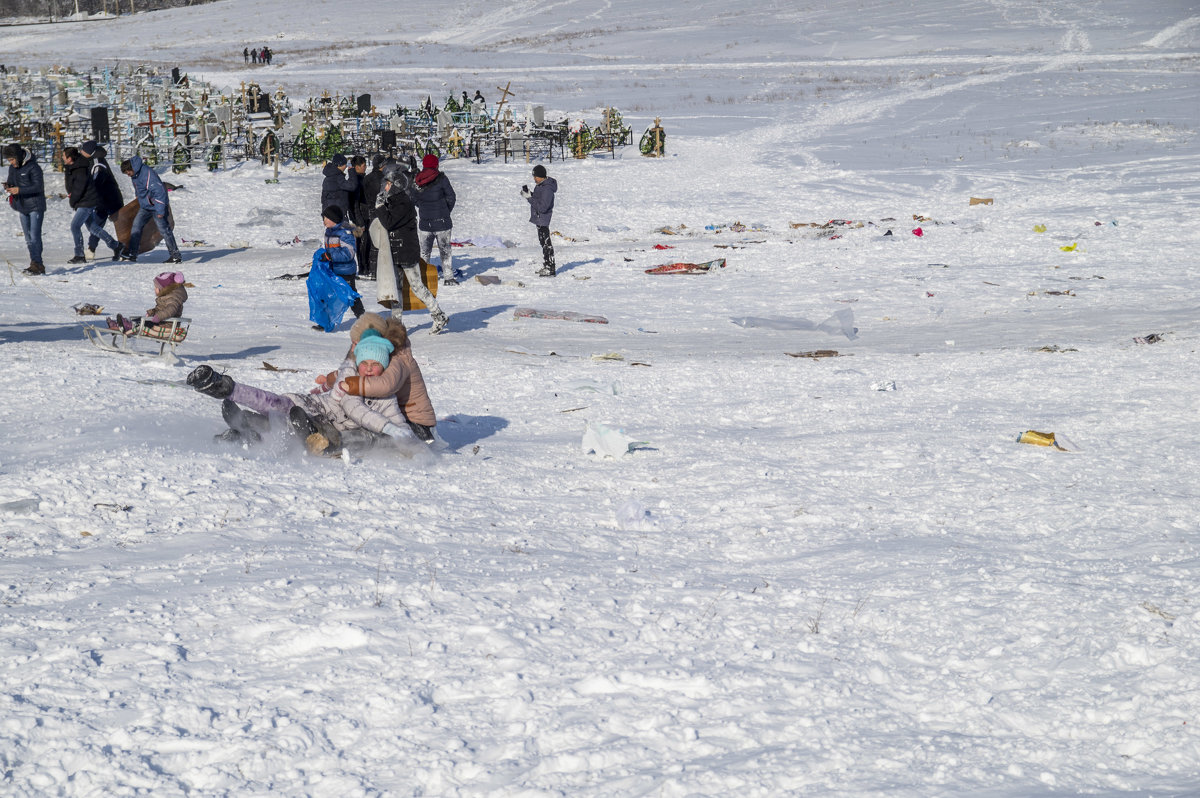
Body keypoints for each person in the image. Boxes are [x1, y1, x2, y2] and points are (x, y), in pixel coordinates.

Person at [184, 330, 430, 459]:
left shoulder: (385, 396)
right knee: (279, 403)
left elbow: (396, 424)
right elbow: (354, 405)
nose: (367, 368)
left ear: (384, 366)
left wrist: (412, 442)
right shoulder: (350, 378)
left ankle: (246, 431)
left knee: (300, 423)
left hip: (328, 427)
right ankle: (225, 388)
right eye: (363, 362)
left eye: (374, 365)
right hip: (318, 408)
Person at [315, 313, 442, 443]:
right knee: (363, 418)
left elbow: (386, 385)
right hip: (396, 416)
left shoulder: (399, 358)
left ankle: (341, 442)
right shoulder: (379, 355)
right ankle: (324, 431)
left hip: (416, 424)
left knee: (374, 432)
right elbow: (352, 371)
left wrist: (353, 385)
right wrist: (330, 379)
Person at [375, 166, 449, 334]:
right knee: (395, 289)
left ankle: (439, 315)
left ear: (395, 185)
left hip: (406, 252)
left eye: (387, 184)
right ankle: (396, 325)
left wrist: (380, 207)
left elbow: (389, 222)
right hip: (395, 252)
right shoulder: (393, 201)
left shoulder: (403, 203)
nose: (385, 187)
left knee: (417, 286)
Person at [63, 146, 122, 264]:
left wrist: (73, 200)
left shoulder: (80, 169)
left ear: (70, 158)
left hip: (86, 202)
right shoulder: (73, 167)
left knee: (75, 226)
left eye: (64, 156)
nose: (62, 158)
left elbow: (79, 188)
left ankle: (79, 254)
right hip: (83, 201)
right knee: (93, 227)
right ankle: (116, 246)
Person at [119, 155, 182, 264]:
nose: (128, 175)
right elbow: (140, 189)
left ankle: (175, 255)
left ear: (131, 168)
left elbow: (160, 192)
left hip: (157, 206)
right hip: (146, 206)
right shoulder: (135, 174)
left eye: (127, 172)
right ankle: (133, 254)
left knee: (164, 230)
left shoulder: (147, 174)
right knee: (136, 227)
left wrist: (160, 211)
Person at [311, 205, 365, 327]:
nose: (324, 221)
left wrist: (330, 256)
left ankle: (363, 318)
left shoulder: (345, 233)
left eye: (326, 218)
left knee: (351, 296)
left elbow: (349, 253)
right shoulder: (329, 232)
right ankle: (325, 322)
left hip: (346, 271)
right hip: (333, 270)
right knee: (327, 295)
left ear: (333, 219)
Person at [409, 154, 457, 285]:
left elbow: (413, 198)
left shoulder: (416, 179)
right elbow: (451, 196)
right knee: (445, 250)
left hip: (425, 222)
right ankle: (448, 277)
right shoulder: (441, 178)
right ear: (436, 164)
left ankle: (423, 278)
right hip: (442, 222)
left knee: (424, 252)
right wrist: (445, 210)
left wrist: (423, 207)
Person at [3, 143, 46, 275]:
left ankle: (37, 263)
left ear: (18, 157)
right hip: (22, 206)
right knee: (28, 238)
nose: (11, 163)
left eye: (12, 159)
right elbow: (12, 181)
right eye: (9, 160)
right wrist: (9, 186)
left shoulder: (33, 167)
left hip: (35, 206)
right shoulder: (12, 168)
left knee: (34, 236)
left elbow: (38, 187)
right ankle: (34, 262)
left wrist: (19, 190)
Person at [79, 140, 125, 260]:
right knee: (96, 225)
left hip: (111, 199)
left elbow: (97, 183)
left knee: (121, 226)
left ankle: (125, 249)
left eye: (83, 150)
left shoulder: (98, 163)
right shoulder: (91, 160)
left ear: (89, 152)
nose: (81, 152)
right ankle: (91, 249)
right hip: (101, 201)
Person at [105, 271, 187, 334]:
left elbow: (171, 309)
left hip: (166, 324)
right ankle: (119, 325)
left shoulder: (173, 299)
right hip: (161, 321)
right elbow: (160, 308)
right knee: (142, 319)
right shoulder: (167, 297)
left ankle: (128, 326)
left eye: (156, 287)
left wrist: (158, 316)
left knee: (145, 322)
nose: (155, 289)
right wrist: (151, 312)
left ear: (163, 289)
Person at [520, 164, 557, 277]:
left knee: (546, 243)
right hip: (539, 218)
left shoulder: (547, 188)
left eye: (535, 176)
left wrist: (529, 198)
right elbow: (538, 199)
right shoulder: (540, 186)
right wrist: (529, 194)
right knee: (543, 242)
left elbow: (543, 207)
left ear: (541, 176)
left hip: (543, 218)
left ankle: (550, 268)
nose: (534, 178)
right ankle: (547, 265)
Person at [358, 155, 391, 278]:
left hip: (370, 211)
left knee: (373, 241)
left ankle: (373, 270)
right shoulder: (384, 178)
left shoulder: (366, 178)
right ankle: (383, 269)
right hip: (382, 210)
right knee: (384, 240)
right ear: (381, 166)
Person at [320, 153, 358, 221]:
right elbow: (352, 186)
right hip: (338, 215)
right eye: (345, 164)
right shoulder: (338, 178)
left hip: (329, 214)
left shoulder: (327, 178)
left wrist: (324, 215)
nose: (346, 166)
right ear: (340, 165)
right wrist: (351, 171)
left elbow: (323, 198)